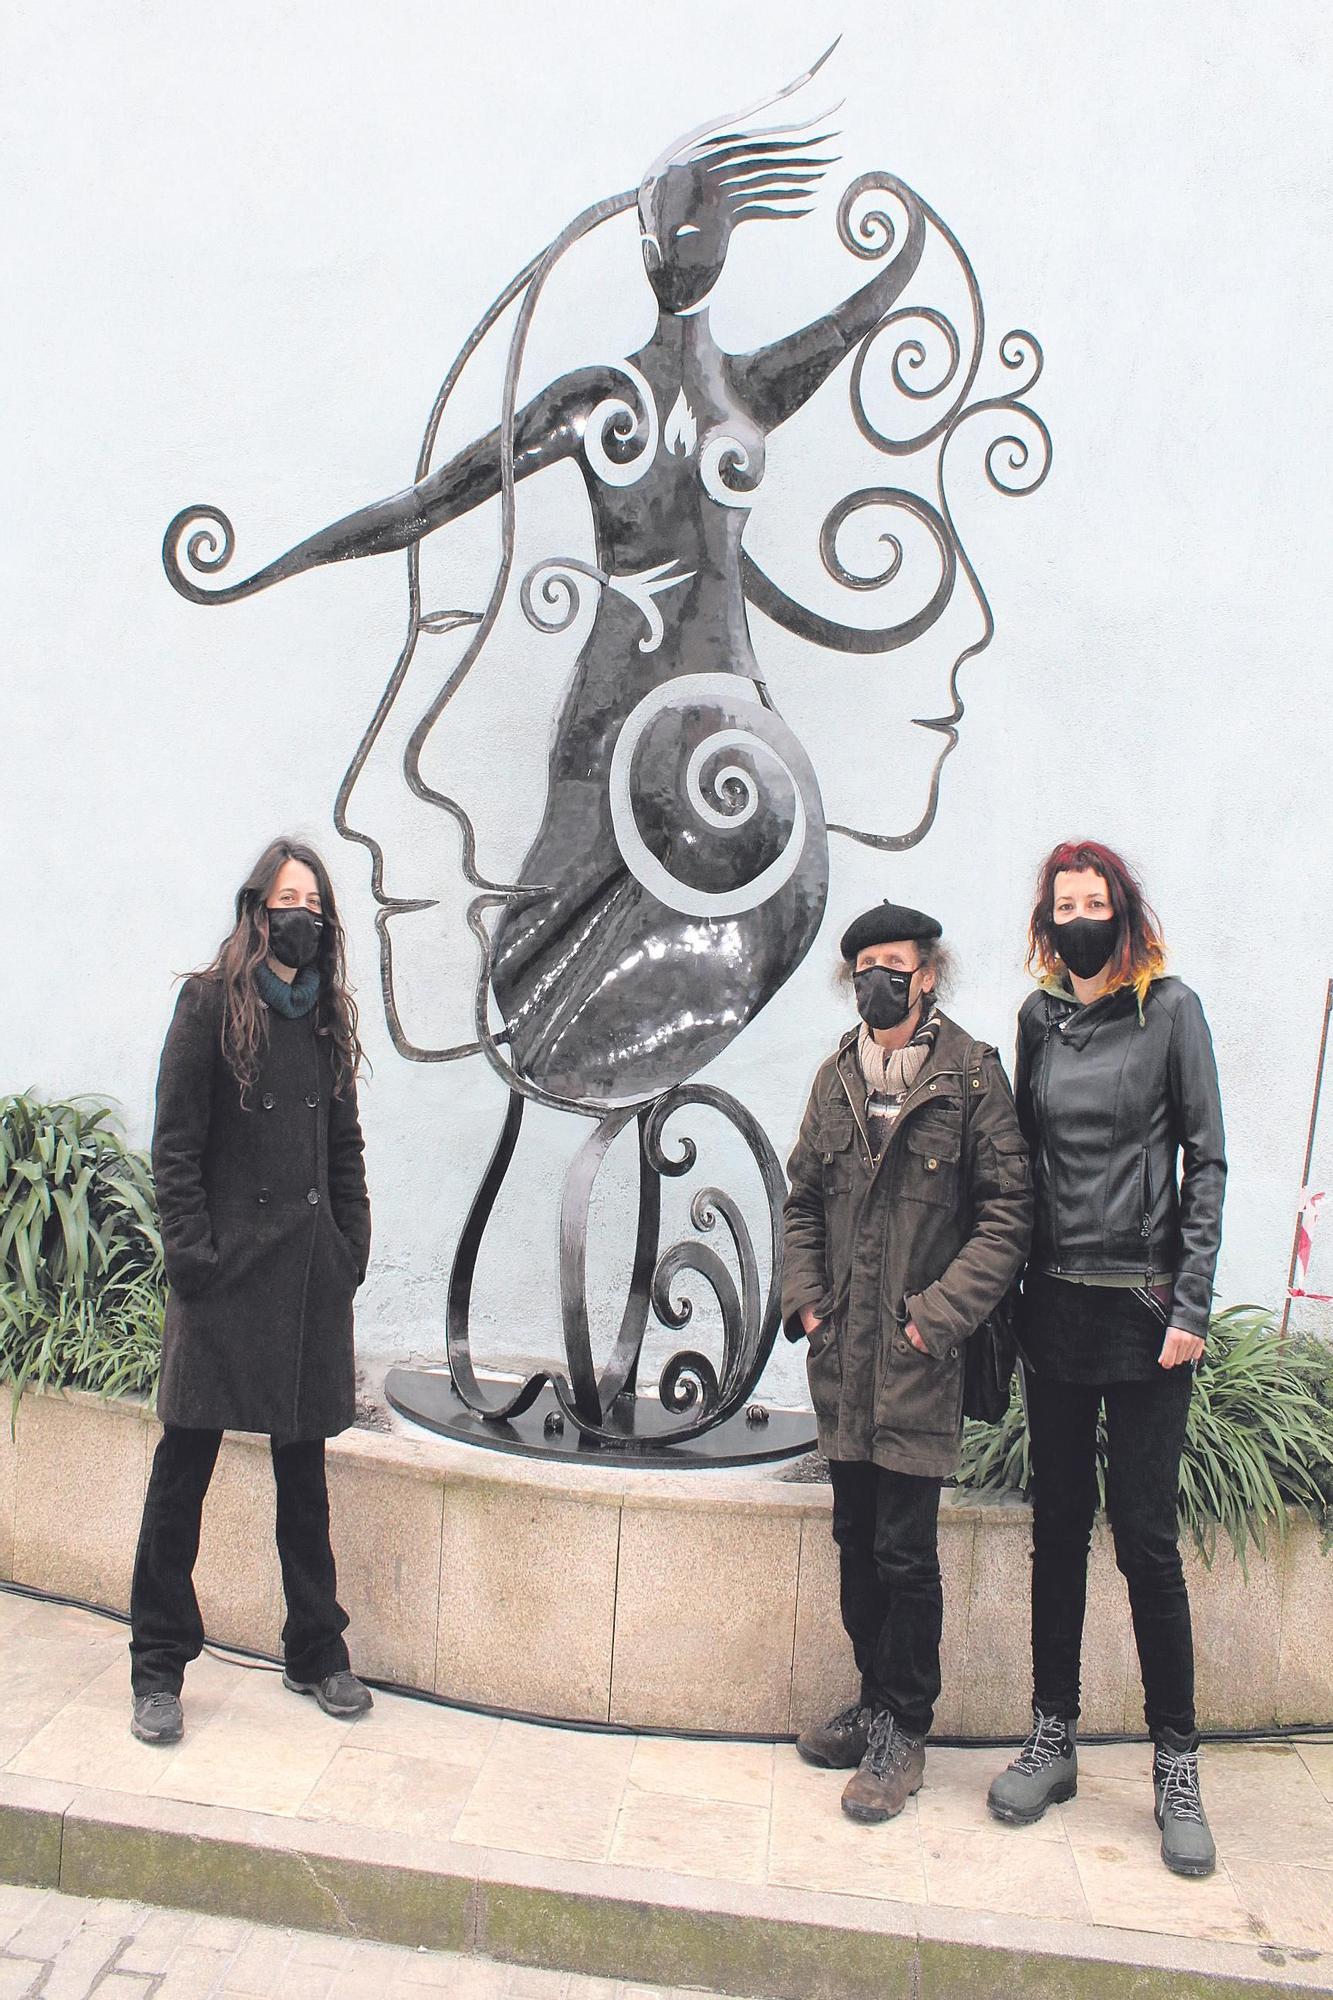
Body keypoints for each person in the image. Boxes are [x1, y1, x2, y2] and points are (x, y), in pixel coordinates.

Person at [987, 841, 1226, 1879]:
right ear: (1047, 920)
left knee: (1144, 1540)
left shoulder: (1169, 1010)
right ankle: (1053, 1736)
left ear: (1122, 912)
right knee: (1054, 1527)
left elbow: (1206, 1157)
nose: (1079, 916)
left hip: (1144, 1309)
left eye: (1095, 901)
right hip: (1056, 1308)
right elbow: (1026, 1160)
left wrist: (1192, 1298)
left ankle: (1177, 1765)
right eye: (1063, 902)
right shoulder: (1040, 1021)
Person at [783, 901, 1032, 1820]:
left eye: (893, 964)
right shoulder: (835, 1078)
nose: (876, 979)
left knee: (903, 1550)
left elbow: (1007, 1213)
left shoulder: (969, 1079)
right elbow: (801, 1198)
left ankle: (903, 1729)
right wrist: (806, 1302)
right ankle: (869, 1699)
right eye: (863, 967)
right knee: (854, 1541)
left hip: (919, 1360)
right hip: (844, 1358)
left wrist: (937, 1317)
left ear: (928, 972)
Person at [129, 838, 374, 1744]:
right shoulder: (208, 1004)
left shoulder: (325, 1018)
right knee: (181, 1474)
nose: (299, 914)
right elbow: (176, 1147)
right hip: (224, 1276)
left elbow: (343, 1146)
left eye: (312, 900)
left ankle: (316, 1650)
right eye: (285, 898)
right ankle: (157, 1665)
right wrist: (193, 1258)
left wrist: (349, 1246)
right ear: (256, 909)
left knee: (302, 1476)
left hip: (308, 1273)